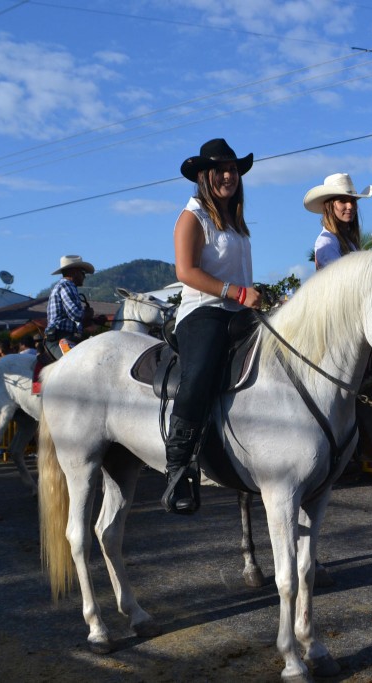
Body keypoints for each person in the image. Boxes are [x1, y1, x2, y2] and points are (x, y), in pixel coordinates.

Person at [164, 138, 260, 515]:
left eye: (233, 169)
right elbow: (185, 271)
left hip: (237, 311)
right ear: (204, 176)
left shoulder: (234, 220)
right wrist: (236, 293)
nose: (228, 176)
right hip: (202, 311)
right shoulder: (192, 216)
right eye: (221, 170)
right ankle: (179, 463)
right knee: (200, 373)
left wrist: (253, 295)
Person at [303, 172, 372, 270]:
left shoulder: (346, 240)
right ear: (329, 206)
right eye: (343, 201)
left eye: (353, 201)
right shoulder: (326, 242)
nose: (350, 206)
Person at [43, 255, 95, 361]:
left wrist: (91, 319)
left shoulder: (66, 286)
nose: (84, 276)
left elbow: (74, 318)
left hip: (64, 337)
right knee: (74, 364)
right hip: (59, 339)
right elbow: (75, 314)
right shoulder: (67, 286)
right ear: (74, 272)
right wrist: (88, 314)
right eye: (82, 273)